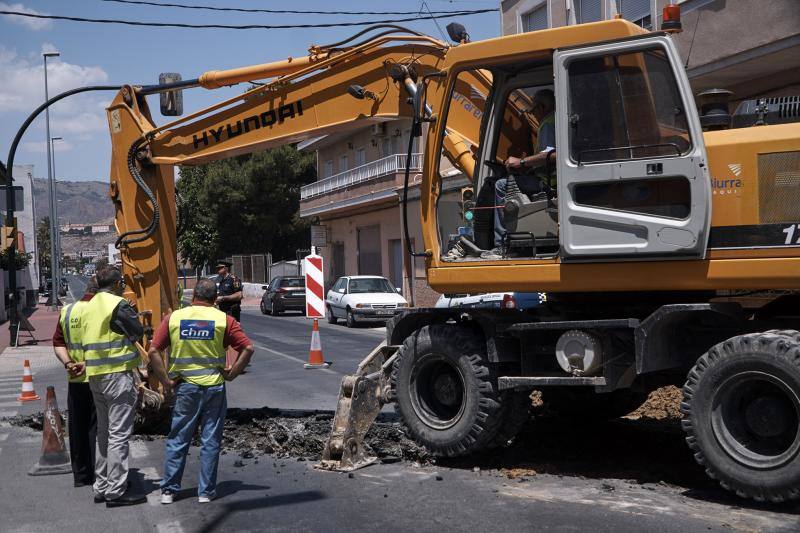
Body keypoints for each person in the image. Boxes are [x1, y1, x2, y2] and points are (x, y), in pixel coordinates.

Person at [148, 278, 254, 504]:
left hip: (185, 387)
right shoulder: (224, 320)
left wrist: (166, 381)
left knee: (178, 437)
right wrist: (232, 373)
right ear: (215, 299)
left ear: (193, 296)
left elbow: (154, 350)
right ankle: (205, 492)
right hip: (214, 386)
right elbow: (247, 347)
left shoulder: (174, 318)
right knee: (210, 439)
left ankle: (168, 491)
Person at [82, 266, 146, 507]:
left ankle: (101, 486)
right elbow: (137, 331)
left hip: (96, 376)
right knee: (118, 434)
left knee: (103, 433)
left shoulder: (90, 306)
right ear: (118, 283)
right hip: (116, 377)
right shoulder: (117, 304)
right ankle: (116, 491)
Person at [484, 88, 557, 258]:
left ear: (543, 107)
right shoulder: (558, 119)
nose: (534, 116)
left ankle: (502, 244)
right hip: (550, 178)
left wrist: (520, 162)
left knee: (501, 185)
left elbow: (551, 155)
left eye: (534, 110)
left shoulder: (548, 123)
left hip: (548, 182)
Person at [52, 276, 99, 488]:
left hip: (76, 377)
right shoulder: (103, 311)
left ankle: (82, 475)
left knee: (78, 428)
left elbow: (58, 342)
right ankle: (104, 475)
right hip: (101, 377)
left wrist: (69, 363)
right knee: (102, 429)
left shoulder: (68, 311)